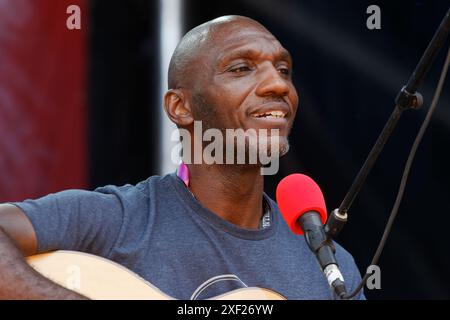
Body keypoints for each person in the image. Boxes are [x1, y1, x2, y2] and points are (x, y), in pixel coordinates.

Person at [0, 15, 365, 300]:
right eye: (241, 68)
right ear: (181, 107)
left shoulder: (333, 270)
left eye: (284, 70)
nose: (279, 85)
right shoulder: (118, 219)